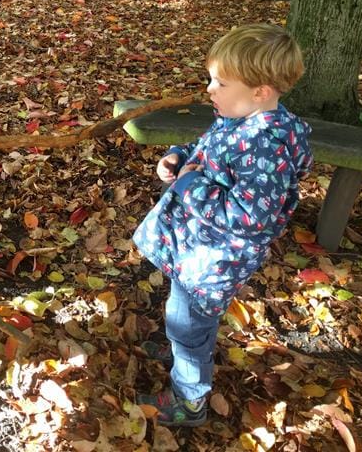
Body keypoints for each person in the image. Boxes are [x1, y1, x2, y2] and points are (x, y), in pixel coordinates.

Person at [133, 24, 313, 426]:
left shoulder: (262, 144)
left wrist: (191, 184)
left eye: (220, 82)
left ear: (260, 91)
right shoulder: (237, 118)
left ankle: (190, 399)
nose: (210, 89)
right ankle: (185, 349)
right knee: (189, 315)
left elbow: (249, 218)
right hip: (200, 246)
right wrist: (178, 158)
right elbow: (205, 148)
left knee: (189, 319)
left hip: (215, 258)